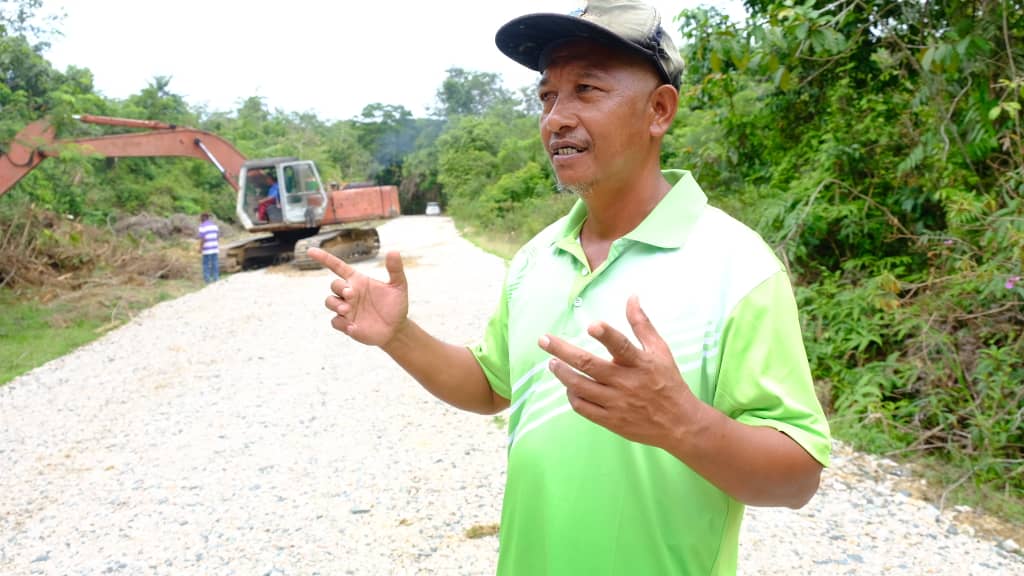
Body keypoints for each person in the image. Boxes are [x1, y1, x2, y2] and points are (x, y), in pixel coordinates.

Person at [309, 1, 831, 573]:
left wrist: (683, 422)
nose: (556, 117)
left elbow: (798, 476)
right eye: (546, 96)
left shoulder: (738, 267)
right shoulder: (536, 258)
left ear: (659, 110)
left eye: (586, 88)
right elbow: (492, 386)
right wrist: (399, 335)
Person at [197, 212, 219, 283]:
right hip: (215, 248)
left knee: (206, 264)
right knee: (215, 264)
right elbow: (217, 237)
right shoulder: (214, 226)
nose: (200, 219)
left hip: (207, 249)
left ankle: (207, 280)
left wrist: (200, 248)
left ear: (204, 218)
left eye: (200, 217)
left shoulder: (202, 227)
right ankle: (216, 278)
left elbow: (203, 239)